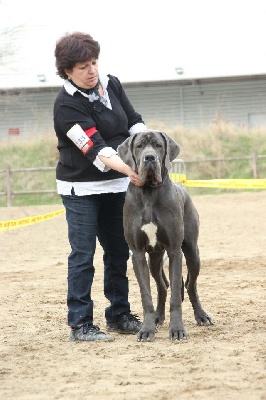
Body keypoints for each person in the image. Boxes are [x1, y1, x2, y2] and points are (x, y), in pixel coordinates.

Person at [53, 32, 147, 342]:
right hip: (81, 188)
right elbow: (95, 147)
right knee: (83, 255)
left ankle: (118, 315)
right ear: (67, 70)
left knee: (119, 250)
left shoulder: (112, 84)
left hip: (117, 185)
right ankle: (79, 324)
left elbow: (133, 120)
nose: (91, 70)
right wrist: (130, 167)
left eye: (94, 62)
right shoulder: (66, 105)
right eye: (82, 66)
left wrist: (149, 147)